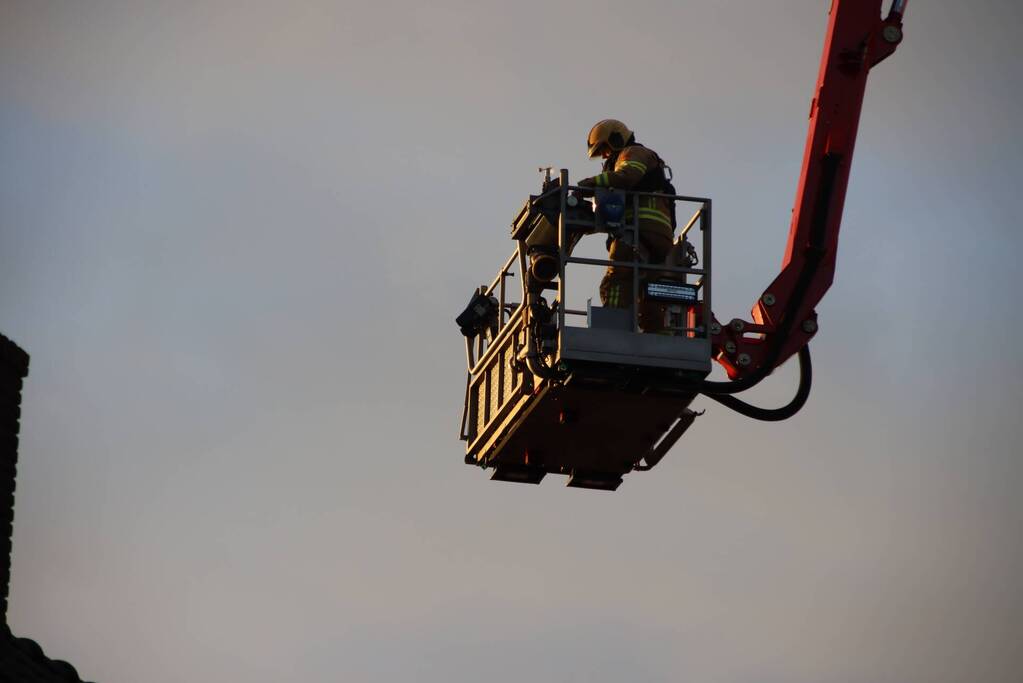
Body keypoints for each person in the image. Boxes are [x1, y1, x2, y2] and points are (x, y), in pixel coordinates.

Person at [576, 119, 675, 330]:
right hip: (659, 237)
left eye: (604, 149)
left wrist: (592, 183)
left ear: (615, 138)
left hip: (638, 232)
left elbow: (627, 176)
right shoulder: (639, 157)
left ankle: (610, 331)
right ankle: (657, 338)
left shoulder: (631, 153)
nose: (604, 155)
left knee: (614, 282)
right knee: (646, 296)